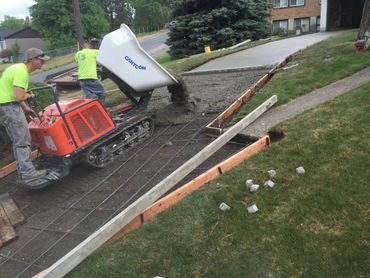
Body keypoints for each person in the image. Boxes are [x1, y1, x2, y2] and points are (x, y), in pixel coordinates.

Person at [0, 48, 50, 183]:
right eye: (41, 60)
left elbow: (15, 95)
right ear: (32, 59)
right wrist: (30, 95)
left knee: (21, 139)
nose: (43, 63)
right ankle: (28, 173)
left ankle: (24, 170)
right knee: (22, 139)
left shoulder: (18, 68)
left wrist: (27, 109)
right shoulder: (22, 72)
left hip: (7, 105)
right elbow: (19, 96)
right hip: (8, 106)